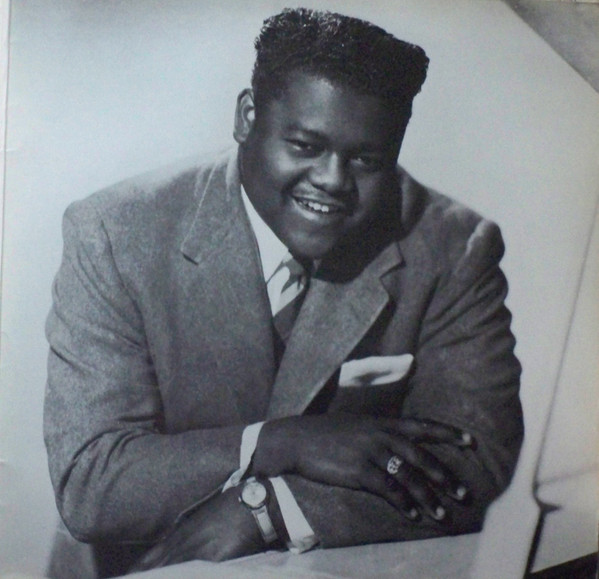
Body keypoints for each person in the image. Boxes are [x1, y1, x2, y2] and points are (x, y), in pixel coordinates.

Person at [44, 8, 524, 578]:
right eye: (304, 145)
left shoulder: (454, 247)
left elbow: (475, 463)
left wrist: (271, 509)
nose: (333, 180)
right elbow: (92, 483)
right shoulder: (115, 233)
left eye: (367, 159)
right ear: (247, 117)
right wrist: (279, 444)